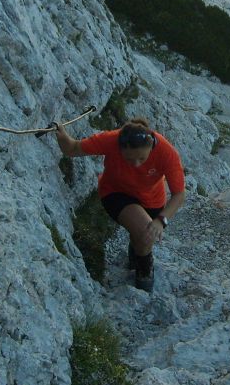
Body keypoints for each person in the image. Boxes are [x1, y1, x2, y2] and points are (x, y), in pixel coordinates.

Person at [55, 117, 186, 290]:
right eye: (129, 159)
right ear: (120, 148)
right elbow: (73, 148)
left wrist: (161, 220)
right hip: (116, 192)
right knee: (145, 232)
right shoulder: (111, 140)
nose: (136, 164)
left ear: (151, 146)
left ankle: (137, 253)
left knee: (142, 238)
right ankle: (144, 271)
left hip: (152, 201)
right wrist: (60, 133)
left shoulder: (166, 152)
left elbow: (179, 194)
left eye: (142, 158)